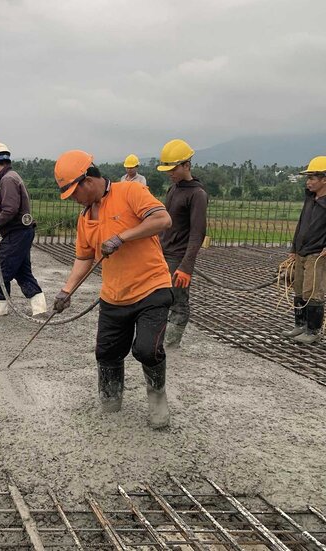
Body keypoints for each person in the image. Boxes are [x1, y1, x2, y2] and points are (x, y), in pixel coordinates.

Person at [53, 150, 173, 429]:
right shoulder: (85, 218)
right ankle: (110, 403)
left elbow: (162, 220)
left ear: (88, 181)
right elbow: (84, 258)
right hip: (113, 296)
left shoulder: (130, 191)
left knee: (147, 350)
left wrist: (122, 237)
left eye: (73, 192)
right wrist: (66, 291)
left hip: (151, 288)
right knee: (106, 353)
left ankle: (157, 402)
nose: (72, 199)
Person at [0, 142, 47, 317]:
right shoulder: (13, 177)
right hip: (22, 232)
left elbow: (10, 210)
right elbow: (7, 208)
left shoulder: (7, 180)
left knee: (1, 271)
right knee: (22, 272)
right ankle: (40, 308)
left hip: (16, 234)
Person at [156, 139, 208, 348]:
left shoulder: (197, 194)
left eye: (173, 168)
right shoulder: (173, 189)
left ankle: (171, 342)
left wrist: (186, 267)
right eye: (167, 169)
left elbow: (198, 234)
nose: (170, 173)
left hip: (178, 257)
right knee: (160, 296)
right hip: (163, 252)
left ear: (186, 165)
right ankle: (160, 336)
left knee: (178, 300)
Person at [282, 156, 326, 344]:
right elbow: (301, 224)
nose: (308, 182)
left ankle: (313, 330)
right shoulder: (310, 199)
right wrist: (293, 248)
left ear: (324, 179)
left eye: (312, 178)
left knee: (312, 291)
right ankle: (300, 325)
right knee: (299, 288)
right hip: (301, 251)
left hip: (317, 253)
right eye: (307, 178)